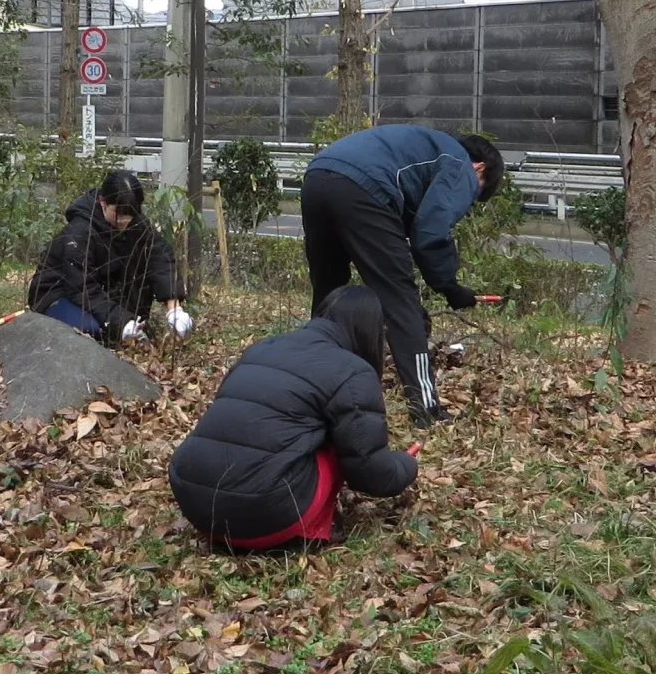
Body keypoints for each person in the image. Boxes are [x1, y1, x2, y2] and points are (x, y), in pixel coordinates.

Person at [168, 286, 418, 550]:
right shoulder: (353, 370)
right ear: (371, 330)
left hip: (193, 502)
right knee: (340, 441)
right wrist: (406, 464)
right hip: (265, 512)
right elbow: (370, 473)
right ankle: (310, 529)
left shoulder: (262, 347)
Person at [301, 124, 504, 427]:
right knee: (401, 304)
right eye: (478, 191)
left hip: (318, 176)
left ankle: (308, 390)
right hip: (365, 187)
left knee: (329, 294)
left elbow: (400, 239)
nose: (470, 199)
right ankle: (426, 410)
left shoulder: (424, 147)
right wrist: (450, 287)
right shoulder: (460, 164)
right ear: (481, 167)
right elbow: (430, 233)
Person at [27, 169, 190, 344]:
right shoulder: (79, 232)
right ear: (103, 202)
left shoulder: (136, 223)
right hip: (59, 294)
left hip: (101, 291)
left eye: (130, 215)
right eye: (118, 214)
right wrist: (120, 320)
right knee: (90, 332)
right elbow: (81, 287)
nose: (124, 221)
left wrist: (174, 308)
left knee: (136, 333)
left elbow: (159, 256)